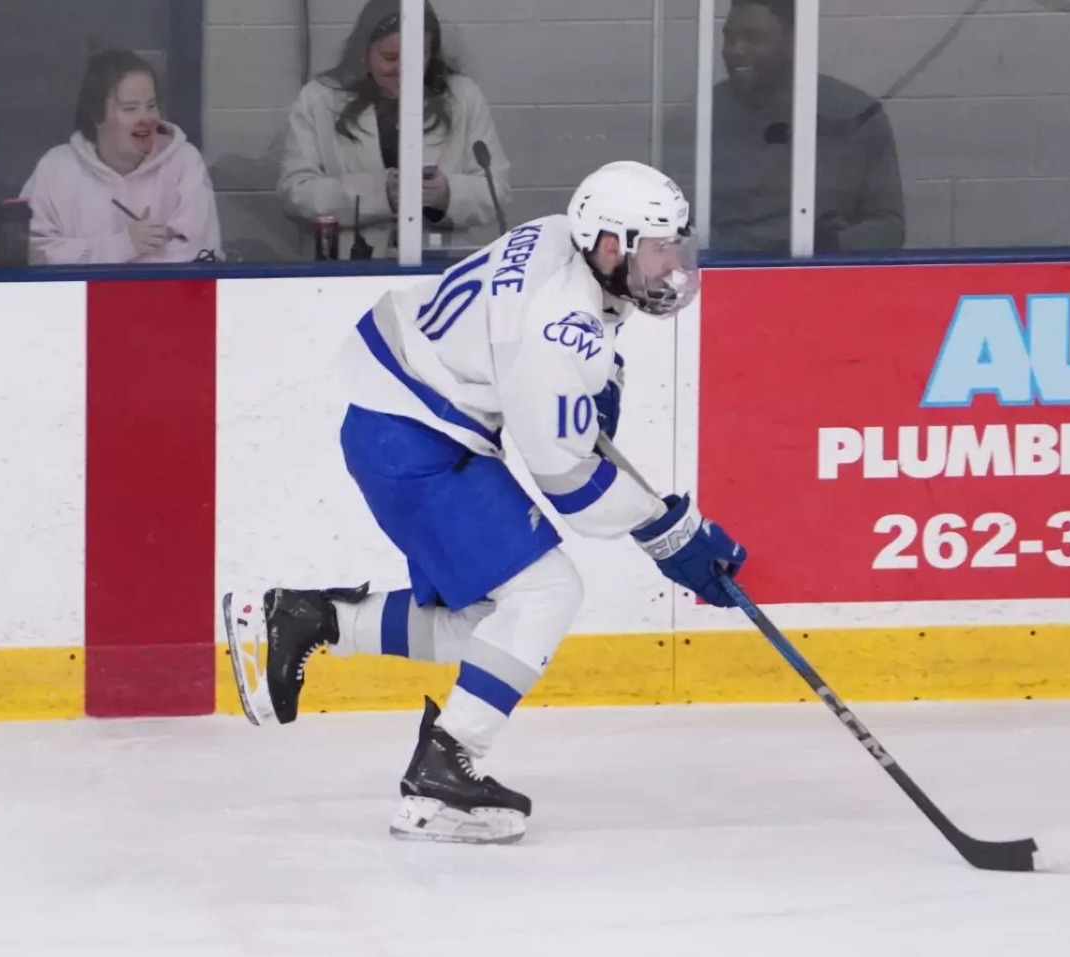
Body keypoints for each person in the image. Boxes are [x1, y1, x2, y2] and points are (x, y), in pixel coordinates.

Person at [224, 161, 748, 846]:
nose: (671, 266)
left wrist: (600, 384)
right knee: (544, 594)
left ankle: (308, 619)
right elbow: (570, 484)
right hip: (413, 439)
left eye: (675, 246)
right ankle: (444, 772)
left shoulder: (567, 238)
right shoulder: (556, 327)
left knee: (492, 624)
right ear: (612, 244)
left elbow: (585, 345)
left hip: (408, 417)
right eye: (656, 248)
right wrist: (671, 532)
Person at [276, 0, 511, 259]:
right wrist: (379, 192)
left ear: (430, 54)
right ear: (363, 54)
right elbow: (294, 192)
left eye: (416, 56)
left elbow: (496, 192)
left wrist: (447, 193)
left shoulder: (462, 97)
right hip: (346, 271)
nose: (403, 69)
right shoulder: (319, 99)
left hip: (438, 268)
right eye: (390, 58)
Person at [711, 0, 904, 253]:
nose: (736, 49)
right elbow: (674, 223)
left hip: (827, 280)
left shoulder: (857, 116)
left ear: (793, 43)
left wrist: (831, 246)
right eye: (729, 38)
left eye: (753, 38)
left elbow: (889, 227)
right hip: (726, 277)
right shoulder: (705, 115)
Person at [21, 49, 221, 265]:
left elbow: (203, 253)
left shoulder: (184, 161)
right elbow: (31, 253)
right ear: (97, 116)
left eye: (151, 106)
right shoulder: (56, 168)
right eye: (130, 108)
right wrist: (122, 246)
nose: (146, 118)